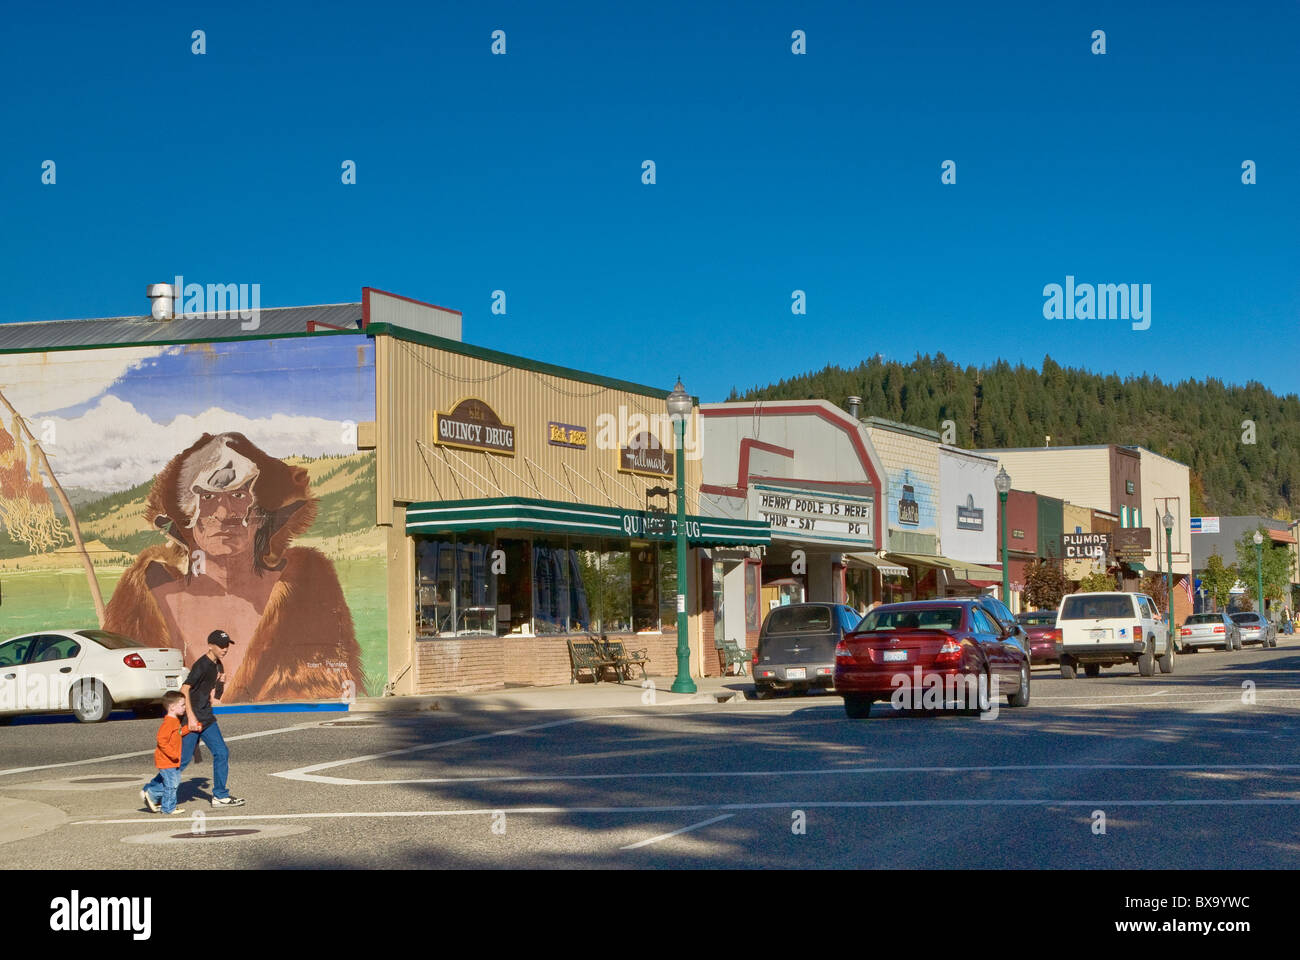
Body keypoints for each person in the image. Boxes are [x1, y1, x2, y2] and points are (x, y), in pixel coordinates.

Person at [103, 432, 363, 702]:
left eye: (239, 495)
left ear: (261, 513)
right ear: (187, 513)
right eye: (207, 497)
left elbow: (328, 691)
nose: (224, 514)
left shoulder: (307, 590)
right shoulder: (146, 597)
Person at [177, 629, 246, 807]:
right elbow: (184, 690)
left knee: (222, 752)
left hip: (206, 717)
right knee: (183, 760)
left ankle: (220, 796)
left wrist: (220, 684)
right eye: (221, 646)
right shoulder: (202, 665)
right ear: (210, 646)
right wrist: (190, 718)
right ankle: (154, 791)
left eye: (226, 645)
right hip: (194, 718)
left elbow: (216, 697)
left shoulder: (217, 664)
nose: (225, 649)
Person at [140, 691, 187, 815]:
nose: (185, 707)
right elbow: (161, 739)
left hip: (172, 760)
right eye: (182, 705)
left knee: (170, 783)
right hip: (167, 760)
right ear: (172, 707)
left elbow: (178, 733)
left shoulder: (174, 721)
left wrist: (189, 728)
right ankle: (168, 808)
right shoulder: (169, 722)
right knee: (172, 785)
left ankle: (151, 793)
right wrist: (172, 754)